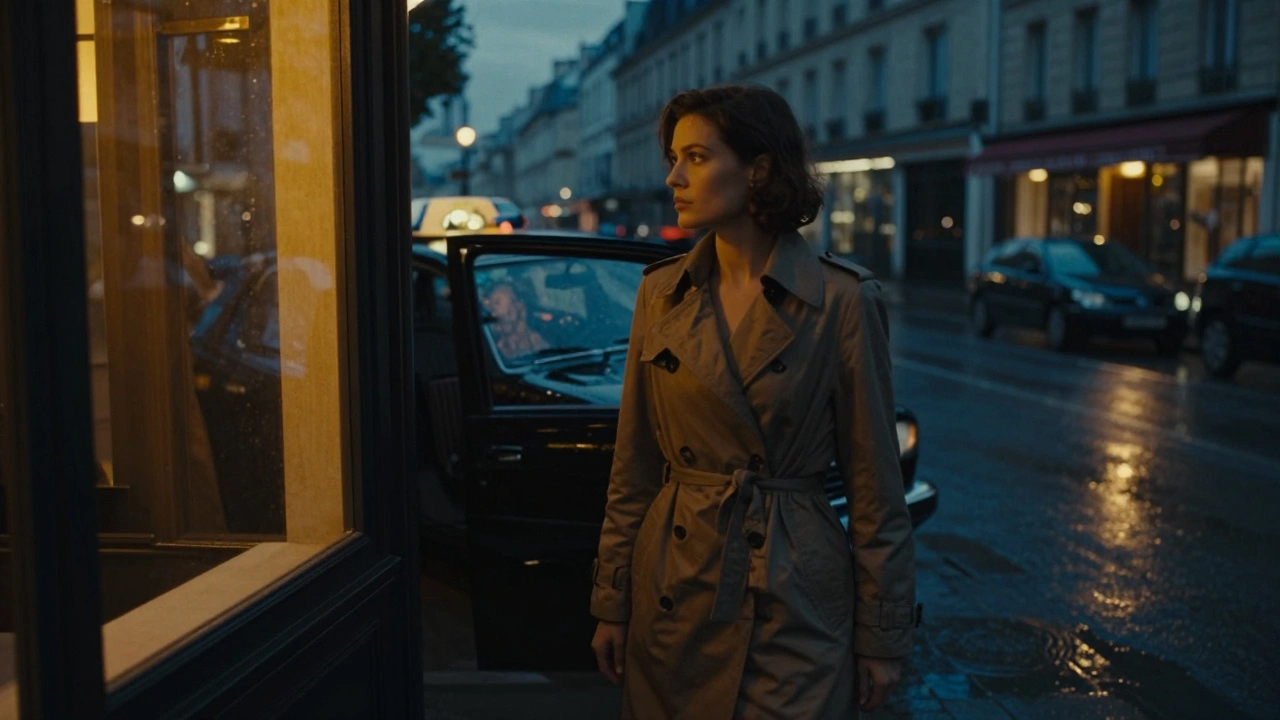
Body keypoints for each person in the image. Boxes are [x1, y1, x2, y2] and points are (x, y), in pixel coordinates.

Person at [589, 85, 917, 718]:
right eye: (673, 158)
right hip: (673, 589)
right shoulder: (662, 293)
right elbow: (631, 469)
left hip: (793, 599)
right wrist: (611, 600)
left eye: (697, 157)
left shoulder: (843, 300)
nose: (674, 177)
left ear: (759, 168)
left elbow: (877, 488)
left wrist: (882, 635)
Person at [482, 282, 549, 361]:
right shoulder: (496, 349)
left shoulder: (537, 341)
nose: (493, 313)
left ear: (521, 306)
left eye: (497, 303)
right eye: (495, 304)